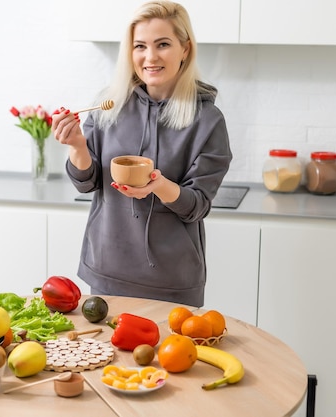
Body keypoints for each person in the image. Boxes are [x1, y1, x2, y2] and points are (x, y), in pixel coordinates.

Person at [51, 0, 232, 307]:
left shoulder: (208, 121)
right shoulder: (109, 105)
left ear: (185, 49)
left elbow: (197, 206)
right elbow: (86, 182)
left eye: (163, 44)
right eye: (140, 46)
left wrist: (158, 185)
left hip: (173, 281)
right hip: (107, 271)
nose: (150, 57)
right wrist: (77, 146)